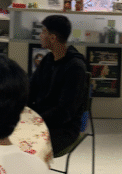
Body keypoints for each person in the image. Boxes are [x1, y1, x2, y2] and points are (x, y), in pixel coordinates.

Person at [27, 14, 87, 155]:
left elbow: (65, 112)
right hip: (42, 118)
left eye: (43, 32)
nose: (40, 35)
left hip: (64, 129)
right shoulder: (48, 58)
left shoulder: (75, 67)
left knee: (24, 145)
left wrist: (36, 119)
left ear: (52, 38)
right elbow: (31, 88)